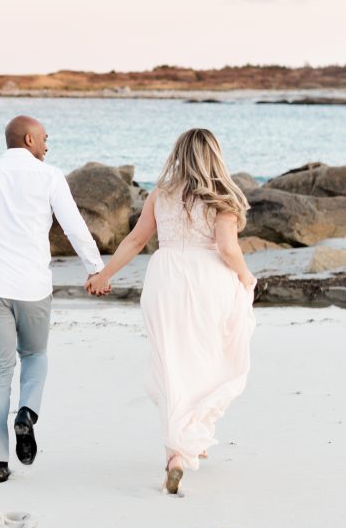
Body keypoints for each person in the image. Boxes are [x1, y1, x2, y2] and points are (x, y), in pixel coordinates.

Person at [86, 128, 256, 494]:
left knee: (171, 360)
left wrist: (104, 274)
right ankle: (188, 441)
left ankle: (179, 448)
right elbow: (227, 249)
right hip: (208, 279)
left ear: (178, 153)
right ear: (215, 155)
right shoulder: (222, 197)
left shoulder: (161, 193)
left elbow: (135, 239)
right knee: (208, 357)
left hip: (165, 278)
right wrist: (245, 275)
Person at [0, 115, 103, 483]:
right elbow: (74, 227)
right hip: (34, 288)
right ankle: (27, 413)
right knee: (35, 356)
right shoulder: (48, 176)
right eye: (45, 139)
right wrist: (95, 268)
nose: (48, 146)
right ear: (29, 139)